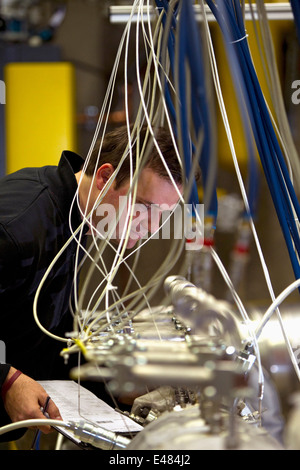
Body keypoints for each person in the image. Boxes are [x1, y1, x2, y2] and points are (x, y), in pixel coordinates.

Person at [0, 124, 183, 440]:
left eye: (163, 216)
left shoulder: (76, 221)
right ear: (104, 177)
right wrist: (6, 381)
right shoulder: (18, 226)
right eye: (145, 207)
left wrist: (116, 383)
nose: (152, 227)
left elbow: (43, 331)